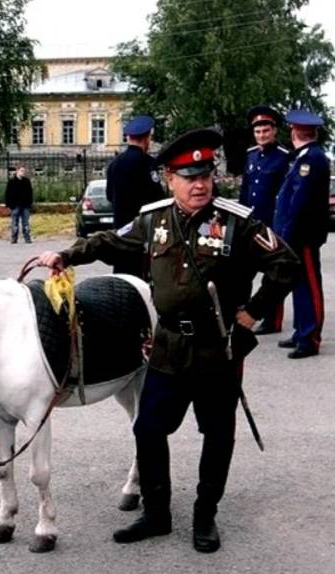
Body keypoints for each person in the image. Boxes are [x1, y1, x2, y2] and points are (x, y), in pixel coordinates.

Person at [37, 128, 299, 553]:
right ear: (170, 181)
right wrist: (69, 254)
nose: (199, 184)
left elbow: (284, 265)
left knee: (217, 434)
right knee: (148, 428)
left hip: (217, 349)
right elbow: (110, 240)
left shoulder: (237, 220)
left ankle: (205, 514)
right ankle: (157, 513)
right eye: (188, 177)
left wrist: (251, 314)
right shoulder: (153, 218)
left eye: (205, 175)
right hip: (167, 346)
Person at [273, 109, 331, 359]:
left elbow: (300, 202)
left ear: (295, 132)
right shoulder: (304, 157)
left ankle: (310, 337)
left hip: (303, 235)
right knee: (299, 285)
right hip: (298, 233)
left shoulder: (312, 159)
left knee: (309, 286)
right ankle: (301, 331)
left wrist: (287, 233)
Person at [239, 105, 290, 334]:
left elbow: (286, 195)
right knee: (243, 273)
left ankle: (272, 319)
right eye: (258, 132)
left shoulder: (283, 158)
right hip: (250, 224)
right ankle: (241, 312)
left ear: (274, 131)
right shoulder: (251, 156)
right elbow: (245, 190)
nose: (261, 136)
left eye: (265, 131)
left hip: (270, 225)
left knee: (273, 273)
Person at [105, 115, 166, 276]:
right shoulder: (148, 163)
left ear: (129, 138)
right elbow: (158, 200)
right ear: (147, 138)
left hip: (120, 233)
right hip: (142, 234)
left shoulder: (114, 164)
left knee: (123, 279)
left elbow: (110, 196)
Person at [5, 165, 33, 243]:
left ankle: (27, 238)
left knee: (26, 223)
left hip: (25, 205)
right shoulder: (12, 182)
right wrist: (9, 205)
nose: (23, 173)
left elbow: (30, 193)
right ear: (17, 171)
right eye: (21, 171)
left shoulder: (26, 181)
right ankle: (14, 238)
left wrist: (29, 204)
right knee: (14, 223)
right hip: (15, 205)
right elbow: (8, 194)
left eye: (24, 171)